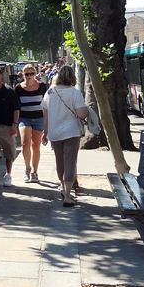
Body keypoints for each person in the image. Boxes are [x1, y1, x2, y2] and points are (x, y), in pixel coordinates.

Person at [41, 65, 88, 207]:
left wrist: (45, 132)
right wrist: (87, 111)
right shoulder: (75, 93)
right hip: (71, 132)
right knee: (70, 162)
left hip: (55, 133)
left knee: (59, 162)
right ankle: (67, 195)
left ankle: (62, 187)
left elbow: (45, 115)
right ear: (72, 77)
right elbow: (81, 114)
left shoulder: (50, 92)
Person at [15, 63, 47, 183]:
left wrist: (47, 122)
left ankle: (35, 171)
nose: (29, 76)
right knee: (25, 143)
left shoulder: (42, 86)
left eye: (31, 73)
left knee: (36, 146)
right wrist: (14, 122)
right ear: (23, 74)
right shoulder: (18, 88)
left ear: (35, 74)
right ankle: (27, 169)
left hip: (39, 118)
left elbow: (46, 104)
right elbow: (16, 106)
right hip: (24, 118)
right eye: (26, 74)